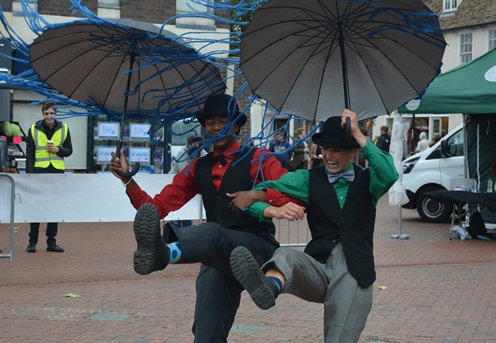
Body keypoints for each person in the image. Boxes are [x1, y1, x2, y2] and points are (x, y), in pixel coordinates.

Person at [109, 93, 301, 343]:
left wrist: (258, 195)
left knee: (212, 231)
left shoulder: (258, 157)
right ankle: (162, 252)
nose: (216, 127)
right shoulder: (198, 167)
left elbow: (294, 192)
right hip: (218, 255)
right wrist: (128, 180)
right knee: (206, 333)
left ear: (237, 125)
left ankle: (163, 254)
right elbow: (156, 208)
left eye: (223, 120)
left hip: (256, 247)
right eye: (210, 122)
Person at [229, 110, 398, 343]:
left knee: (338, 338)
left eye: (336, 150)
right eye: (324, 149)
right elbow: (254, 197)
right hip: (317, 267)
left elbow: (390, 173)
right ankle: (269, 286)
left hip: (354, 273)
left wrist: (358, 133)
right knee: (284, 255)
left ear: (353, 151)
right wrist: (270, 208)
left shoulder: (370, 181)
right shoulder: (309, 178)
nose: (327, 155)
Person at [25, 102, 73, 253]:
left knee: (54, 206)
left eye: (52, 113)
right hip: (39, 172)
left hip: (57, 172)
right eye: (46, 113)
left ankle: (51, 242)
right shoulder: (34, 129)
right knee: (37, 206)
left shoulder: (64, 128)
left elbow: (69, 151)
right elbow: (30, 154)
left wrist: (57, 149)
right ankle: (32, 242)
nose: (49, 116)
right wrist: (30, 175)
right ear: (42, 114)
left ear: (56, 114)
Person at [168, 134, 207, 228]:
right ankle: (173, 237)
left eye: (198, 145)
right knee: (176, 217)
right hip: (177, 183)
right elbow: (184, 171)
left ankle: (186, 238)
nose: (196, 148)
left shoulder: (202, 152)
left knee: (188, 217)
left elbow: (207, 167)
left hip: (190, 186)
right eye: (193, 145)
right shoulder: (182, 152)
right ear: (188, 145)